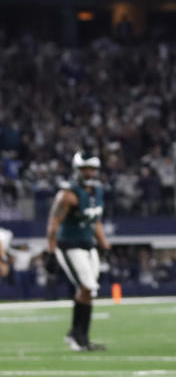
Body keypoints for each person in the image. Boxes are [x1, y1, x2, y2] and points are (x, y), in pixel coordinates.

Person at [45, 150, 111, 351]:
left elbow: (95, 220)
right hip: (69, 245)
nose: (89, 173)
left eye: (91, 168)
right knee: (87, 287)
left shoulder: (97, 191)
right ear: (77, 170)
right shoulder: (68, 194)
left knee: (89, 291)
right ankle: (76, 336)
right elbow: (54, 223)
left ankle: (81, 336)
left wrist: (104, 243)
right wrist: (51, 251)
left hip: (87, 244)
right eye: (85, 169)